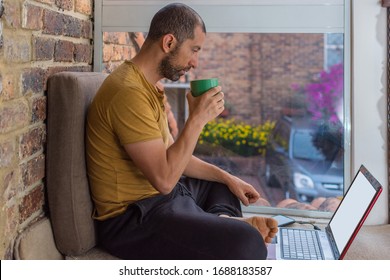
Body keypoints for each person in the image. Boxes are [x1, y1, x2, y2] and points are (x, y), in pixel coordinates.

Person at [86, 3, 278, 260]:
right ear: (168, 43)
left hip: (165, 198)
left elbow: (170, 155)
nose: (195, 62)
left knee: (221, 185)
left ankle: (220, 221)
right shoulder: (128, 92)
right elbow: (164, 180)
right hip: (133, 219)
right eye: (194, 50)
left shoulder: (147, 86)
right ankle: (226, 227)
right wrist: (196, 119)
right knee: (249, 244)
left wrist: (229, 178)